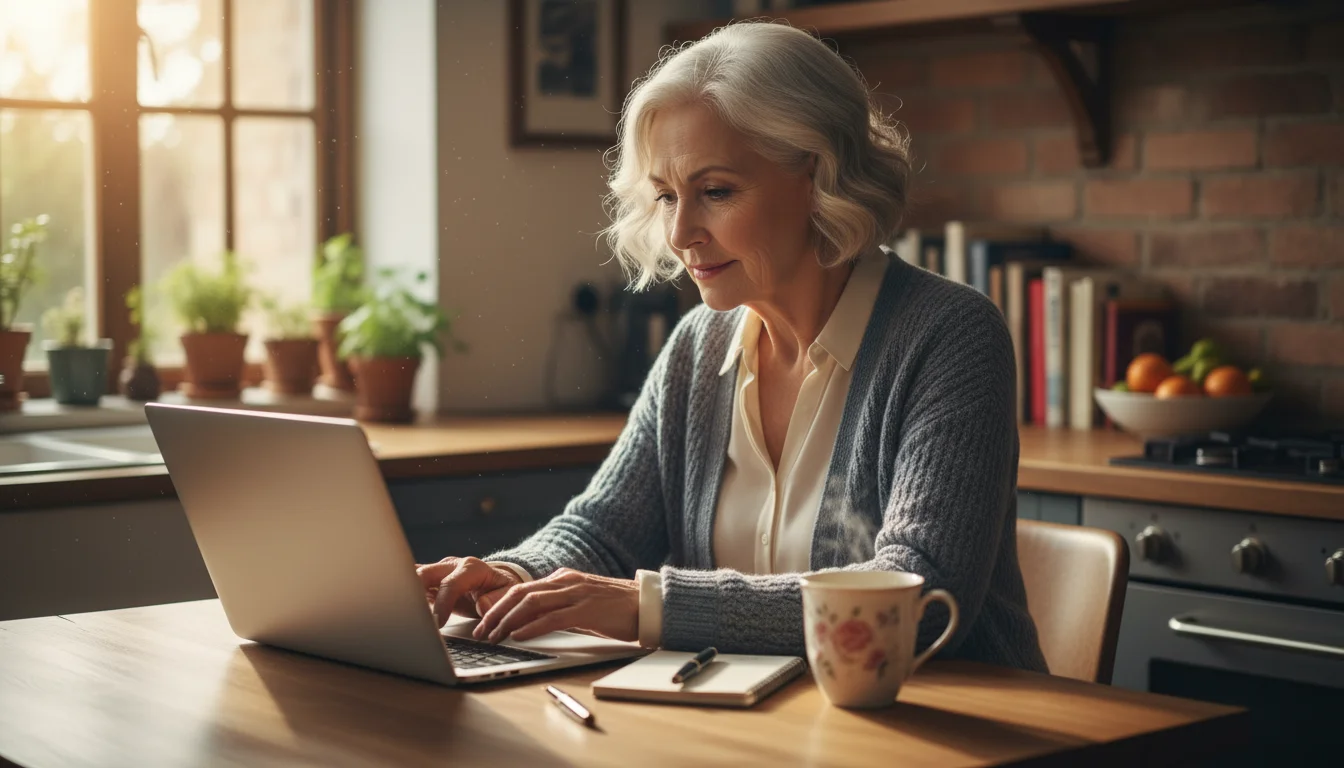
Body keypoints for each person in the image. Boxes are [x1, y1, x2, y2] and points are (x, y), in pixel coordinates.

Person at [417, 21, 1046, 671]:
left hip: (953, 728)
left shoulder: (950, 335)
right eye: (665, 196)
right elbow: (602, 530)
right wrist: (512, 575)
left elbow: (916, 596)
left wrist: (649, 606)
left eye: (715, 191)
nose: (681, 232)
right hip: (763, 728)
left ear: (818, 175)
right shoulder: (697, 346)